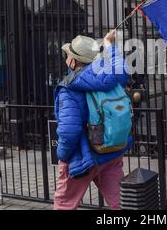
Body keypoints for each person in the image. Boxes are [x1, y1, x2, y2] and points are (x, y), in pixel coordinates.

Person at [53, 30, 131, 210]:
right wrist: (109, 43)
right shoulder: (110, 74)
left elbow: (68, 131)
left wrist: (63, 157)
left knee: (64, 204)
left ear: (74, 60)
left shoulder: (69, 88)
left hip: (83, 158)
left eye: (68, 55)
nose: (66, 58)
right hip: (111, 151)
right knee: (121, 203)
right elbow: (121, 67)